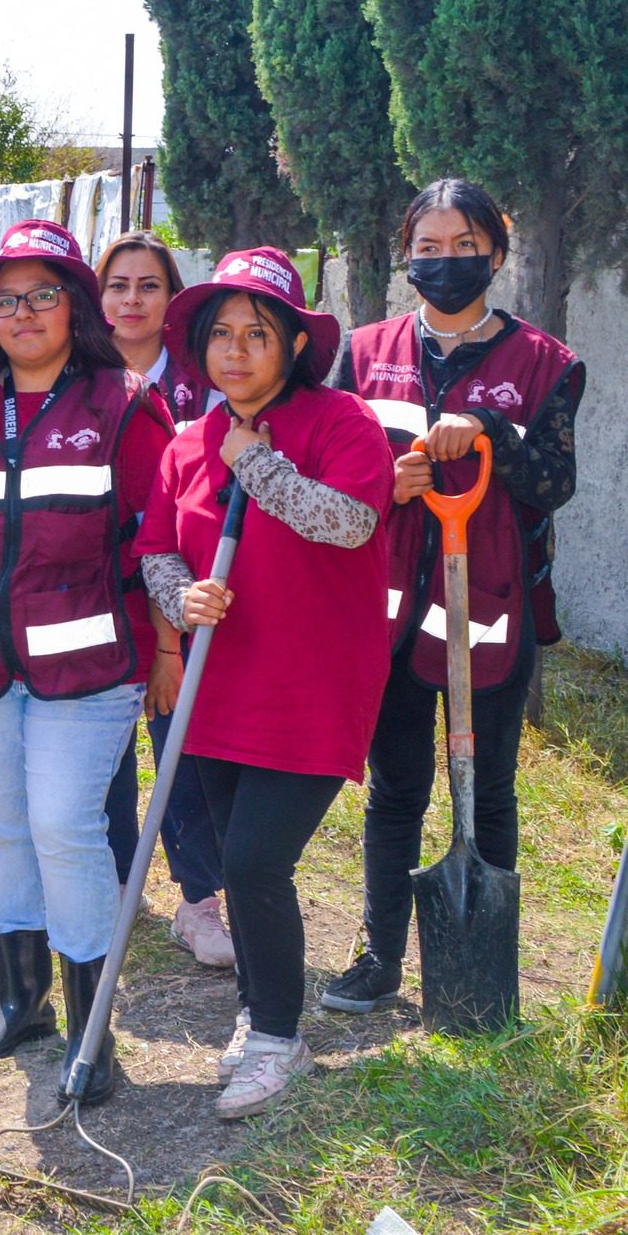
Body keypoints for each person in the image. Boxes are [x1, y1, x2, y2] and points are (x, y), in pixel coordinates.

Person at [0, 220, 173, 1104]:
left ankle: (94, 1030)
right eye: (5, 299)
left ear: (75, 305)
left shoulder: (124, 404)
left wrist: (166, 646)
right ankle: (22, 1002)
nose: (22, 312)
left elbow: (158, 533)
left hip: (88, 668)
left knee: (64, 824)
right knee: (5, 826)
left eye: (42, 294)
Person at [137, 247, 394, 1118]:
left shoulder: (341, 420)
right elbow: (156, 549)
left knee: (254, 861)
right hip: (218, 684)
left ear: (292, 344)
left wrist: (257, 462)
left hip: (312, 688)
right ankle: (258, 1009)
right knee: (233, 863)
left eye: (258, 334)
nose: (236, 352)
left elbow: (350, 522)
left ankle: (279, 1037)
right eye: (220, 336)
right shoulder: (185, 442)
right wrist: (182, 593)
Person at [321, 180, 585, 1014]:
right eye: (427, 248)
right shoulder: (364, 353)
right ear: (407, 255)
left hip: (491, 601)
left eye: (463, 246)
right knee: (395, 786)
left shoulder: (544, 363)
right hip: (392, 606)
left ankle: (483, 961)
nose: (444, 263)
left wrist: (492, 436)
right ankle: (380, 954)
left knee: (490, 786)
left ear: (496, 253)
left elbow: (555, 481)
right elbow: (332, 465)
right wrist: (383, 480)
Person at [94, 232, 233, 970]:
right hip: (102, 588)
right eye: (119, 284)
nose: (133, 300)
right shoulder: (77, 373)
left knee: (182, 742)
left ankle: (200, 898)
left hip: (181, 584)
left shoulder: (204, 378)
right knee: (106, 741)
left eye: (150, 285)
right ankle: (118, 879)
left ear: (172, 298)